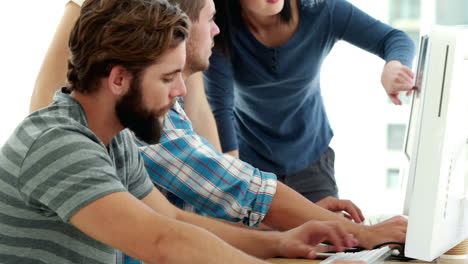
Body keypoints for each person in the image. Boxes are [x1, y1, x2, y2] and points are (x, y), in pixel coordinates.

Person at [29, 1, 407, 263]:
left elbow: (177, 222)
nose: (180, 91)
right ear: (119, 79)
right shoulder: (64, 144)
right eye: (168, 77)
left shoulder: (120, 141)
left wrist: (280, 239)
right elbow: (166, 240)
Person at [204, 0, 416, 203]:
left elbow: (394, 38)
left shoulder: (322, 10)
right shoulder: (218, 30)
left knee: (332, 236)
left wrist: (394, 67)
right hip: (250, 164)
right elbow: (221, 108)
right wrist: (233, 178)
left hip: (312, 162)